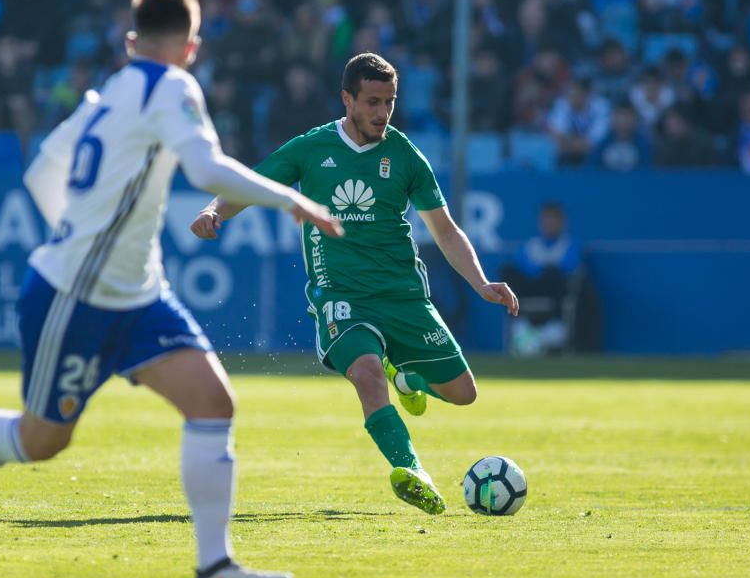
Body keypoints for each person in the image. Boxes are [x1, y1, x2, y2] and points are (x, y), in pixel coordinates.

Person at [0, 0, 343, 578]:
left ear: (132, 40)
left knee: (213, 404)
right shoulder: (173, 86)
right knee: (42, 440)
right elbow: (206, 170)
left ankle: (214, 567)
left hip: (136, 296)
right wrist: (291, 197)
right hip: (73, 297)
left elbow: (43, 167)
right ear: (192, 46)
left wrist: (74, 230)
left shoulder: (111, 92)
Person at [190, 53, 519, 516]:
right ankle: (411, 469)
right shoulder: (311, 148)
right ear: (347, 99)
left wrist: (482, 284)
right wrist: (213, 211)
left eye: (389, 102)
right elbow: (253, 184)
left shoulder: (404, 155)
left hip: (402, 293)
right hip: (340, 294)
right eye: (371, 102)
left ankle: (407, 378)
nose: (382, 112)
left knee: (463, 393)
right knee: (365, 371)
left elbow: (444, 229)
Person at [500, 202, 582, 356]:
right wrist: (539, 270)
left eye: (553, 220)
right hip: (530, 290)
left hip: (554, 294)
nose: (549, 224)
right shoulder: (531, 246)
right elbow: (521, 266)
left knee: (553, 274)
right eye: (546, 220)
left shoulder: (570, 245)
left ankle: (548, 333)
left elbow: (569, 267)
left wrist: (543, 268)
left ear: (562, 222)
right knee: (507, 271)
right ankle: (520, 323)